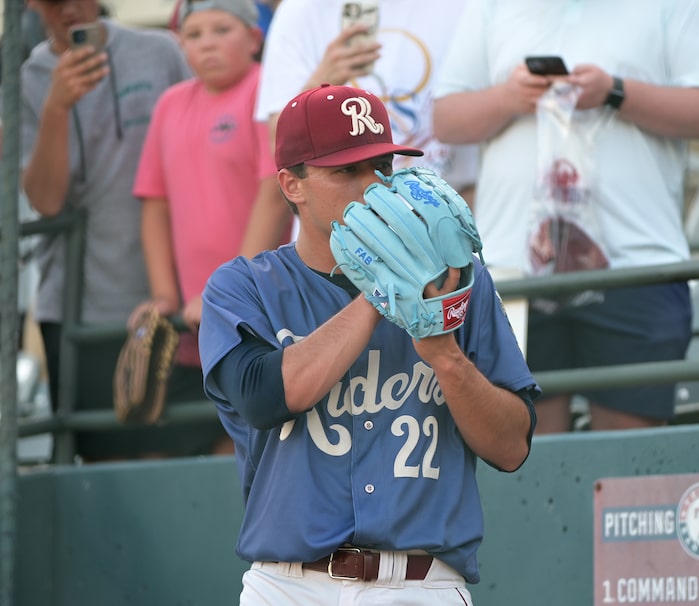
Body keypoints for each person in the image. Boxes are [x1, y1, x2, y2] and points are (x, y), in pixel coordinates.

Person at [198, 83, 539, 604]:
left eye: (383, 167)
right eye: (346, 171)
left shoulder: (457, 280)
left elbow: (512, 447)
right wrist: (384, 291)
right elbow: (263, 398)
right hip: (290, 585)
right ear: (292, 185)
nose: (372, 186)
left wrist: (446, 357)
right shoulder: (244, 285)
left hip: (422, 584)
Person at [433, 0, 699, 432]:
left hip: (636, 265)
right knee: (530, 472)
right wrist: (509, 97)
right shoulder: (490, 7)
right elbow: (445, 120)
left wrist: (615, 91)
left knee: (629, 480)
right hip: (514, 270)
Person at [21, 0, 191, 459]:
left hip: (178, 299)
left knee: (192, 451)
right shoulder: (24, 81)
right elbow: (45, 200)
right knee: (105, 466)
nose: (70, 9)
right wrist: (56, 108)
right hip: (81, 309)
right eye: (55, 0)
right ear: (33, 5)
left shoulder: (160, 51)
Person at [129, 0, 293, 456]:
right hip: (190, 326)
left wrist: (229, 290)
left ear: (254, 38)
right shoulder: (169, 104)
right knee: (179, 448)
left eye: (222, 29)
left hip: (258, 315)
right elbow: (154, 203)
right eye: (195, 34)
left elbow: (274, 190)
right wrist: (165, 294)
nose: (207, 44)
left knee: (248, 450)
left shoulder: (267, 92)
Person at [253, 0, 478, 201]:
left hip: (444, 216)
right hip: (340, 228)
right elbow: (279, 147)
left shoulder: (466, 6)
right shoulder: (300, 11)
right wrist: (320, 84)